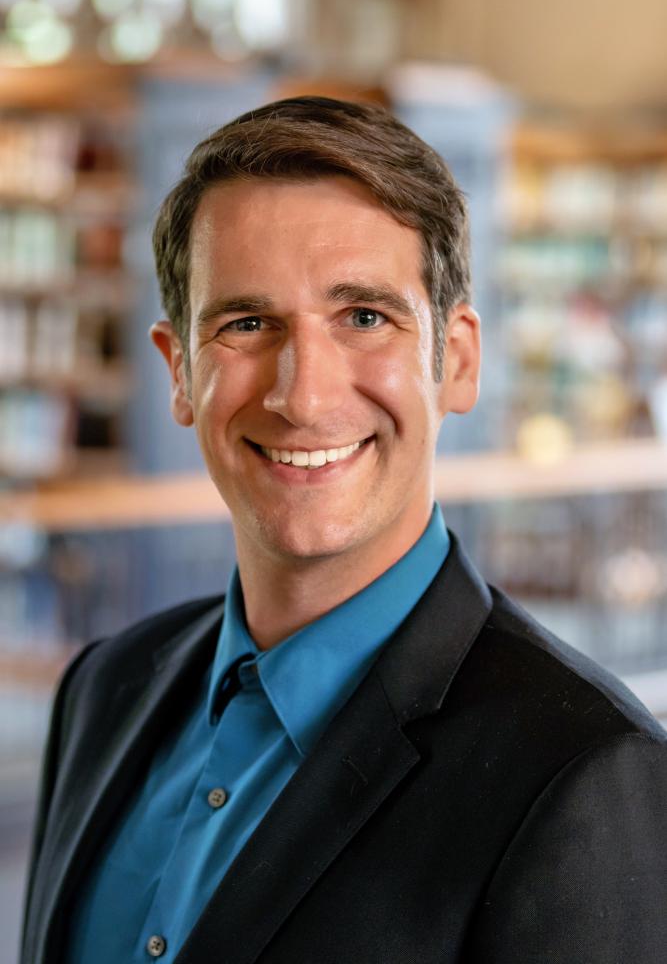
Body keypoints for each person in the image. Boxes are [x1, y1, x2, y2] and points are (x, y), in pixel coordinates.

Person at [22, 96, 666, 964]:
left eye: (365, 318)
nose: (303, 395)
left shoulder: (584, 774)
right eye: (247, 323)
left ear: (458, 361)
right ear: (179, 374)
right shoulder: (104, 690)